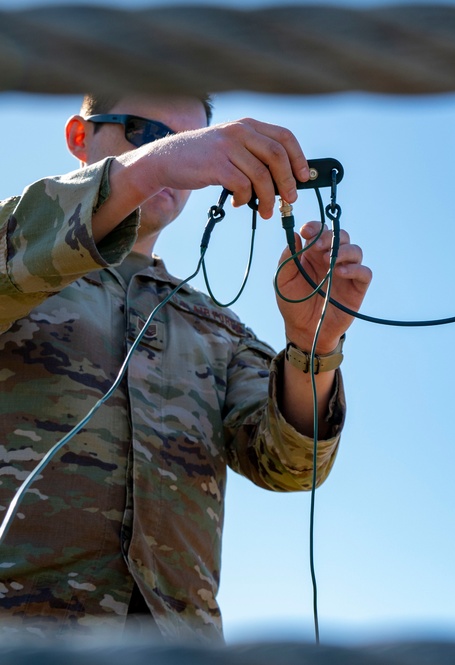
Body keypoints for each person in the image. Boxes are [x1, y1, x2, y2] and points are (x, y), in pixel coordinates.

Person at [0, 93, 370, 641]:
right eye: (145, 131)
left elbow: (290, 463)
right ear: (81, 137)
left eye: (186, 139)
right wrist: (156, 166)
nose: (174, 152)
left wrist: (311, 344)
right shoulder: (18, 254)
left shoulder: (214, 327)